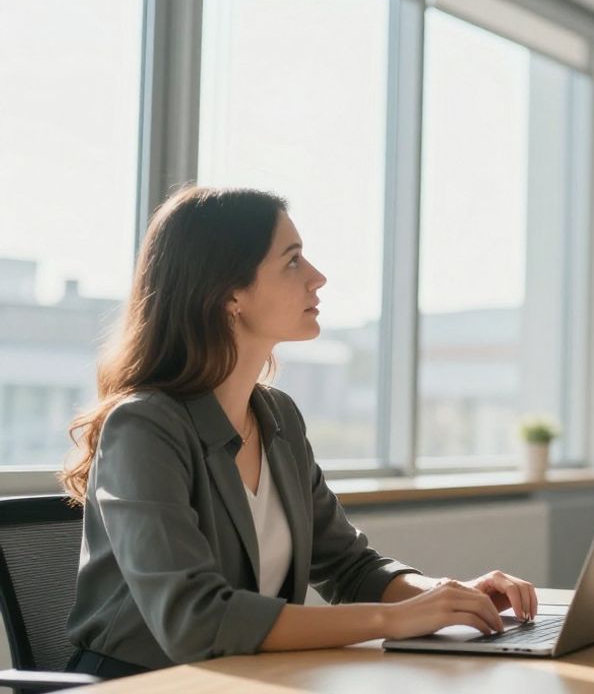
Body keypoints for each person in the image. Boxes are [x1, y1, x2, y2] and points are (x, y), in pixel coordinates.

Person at [62, 186, 538, 677]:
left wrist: (446, 597)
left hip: (249, 679)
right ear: (229, 294)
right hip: (138, 684)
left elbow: (349, 567)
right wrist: (392, 620)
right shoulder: (143, 428)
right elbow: (194, 621)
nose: (318, 277)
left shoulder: (278, 418)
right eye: (292, 262)